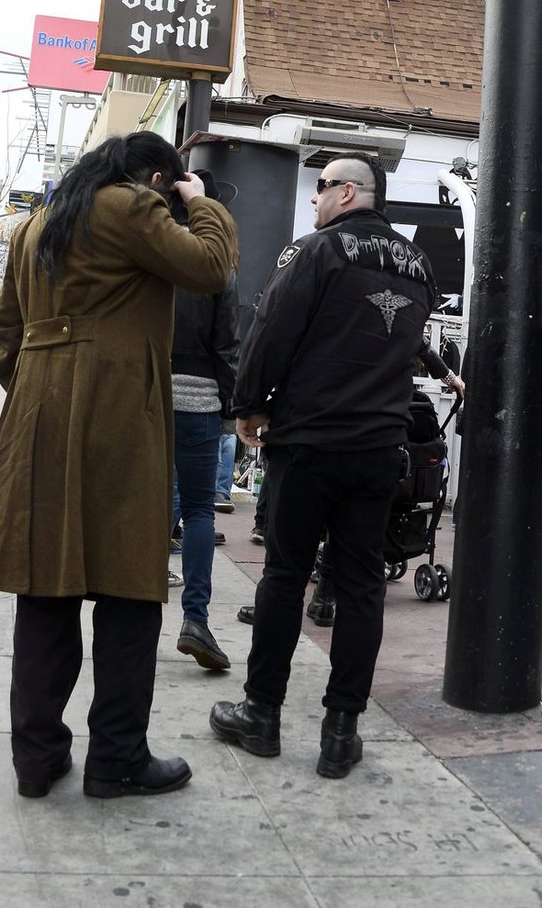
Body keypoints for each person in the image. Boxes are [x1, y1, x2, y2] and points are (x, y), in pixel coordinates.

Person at [0, 131, 234, 800]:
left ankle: (36, 760)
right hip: (116, 413)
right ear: (156, 175)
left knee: (43, 588)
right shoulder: (132, 204)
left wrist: (42, 382)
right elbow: (211, 266)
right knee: (128, 589)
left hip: (36, 411)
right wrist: (198, 199)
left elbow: (6, 330)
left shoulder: (35, 224)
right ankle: (117, 757)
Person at [209, 152, 436, 779]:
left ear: (346, 194)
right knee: (362, 587)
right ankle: (342, 732)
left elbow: (273, 328)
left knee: (284, 577)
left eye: (321, 187)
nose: (314, 198)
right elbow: (410, 347)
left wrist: (249, 403)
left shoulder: (318, 251)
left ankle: (262, 714)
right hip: (377, 448)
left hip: (309, 440)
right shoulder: (419, 266)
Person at [169, 170, 240, 671]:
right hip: (199, 400)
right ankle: (196, 619)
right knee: (198, 511)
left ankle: (134, 613)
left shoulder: (148, 251)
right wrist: (233, 409)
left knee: (148, 507)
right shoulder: (216, 266)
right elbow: (226, 346)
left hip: (146, 396)